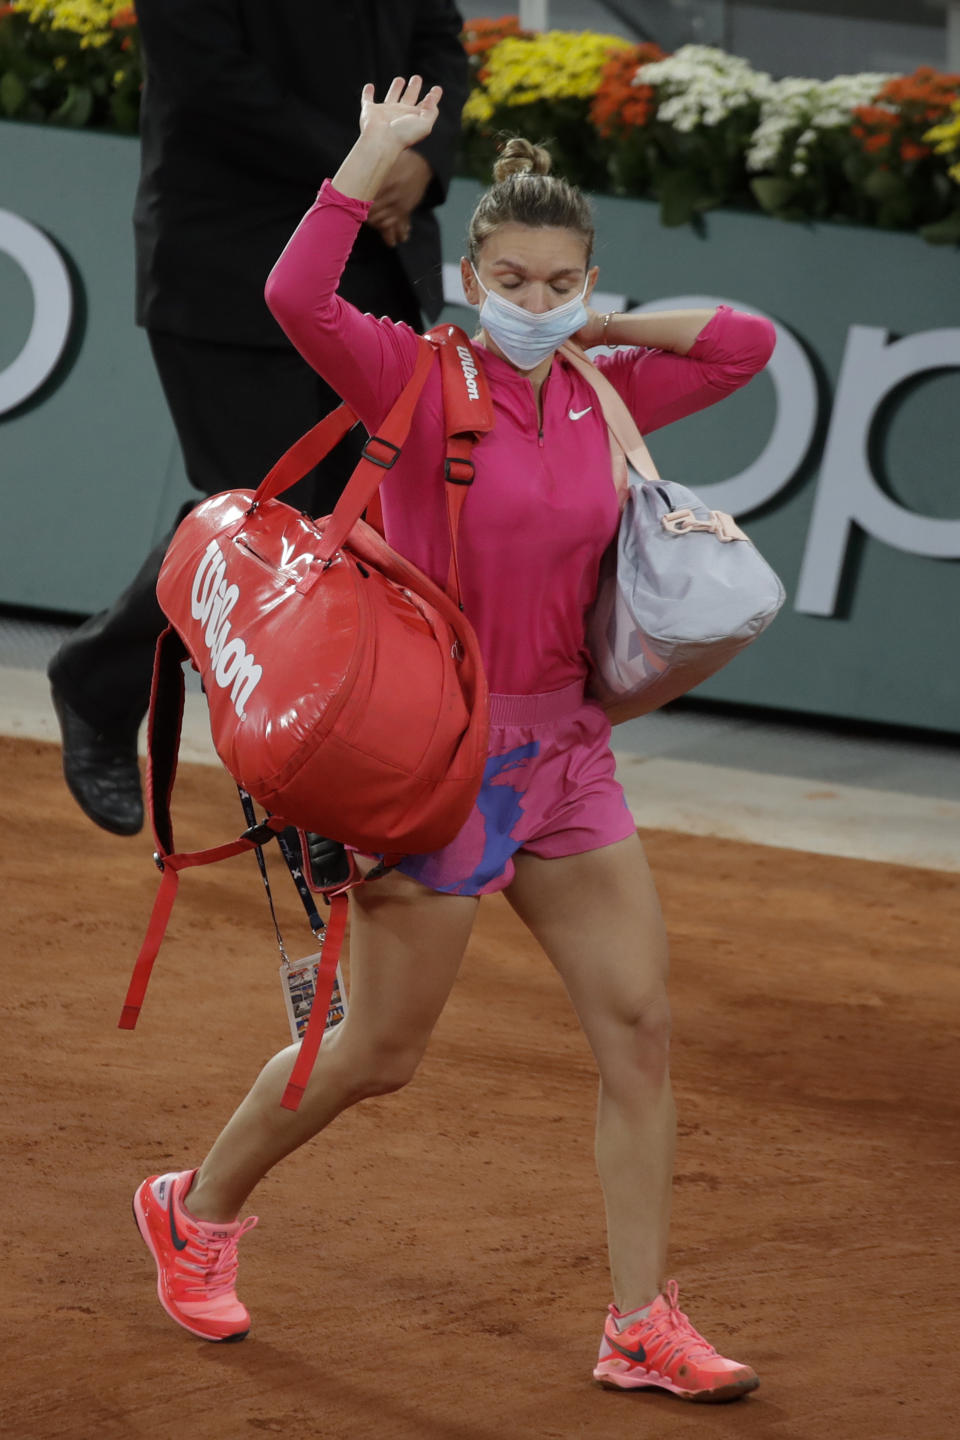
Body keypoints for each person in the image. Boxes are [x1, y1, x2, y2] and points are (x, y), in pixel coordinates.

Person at [132, 77, 776, 1403]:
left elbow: (745, 344)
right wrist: (363, 163)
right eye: (513, 279)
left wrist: (608, 323)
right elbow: (293, 300)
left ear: (586, 281)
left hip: (571, 758)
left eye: (558, 283)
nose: (534, 303)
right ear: (472, 273)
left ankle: (638, 1321)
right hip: (439, 764)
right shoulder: (415, 373)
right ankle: (193, 1207)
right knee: (381, 1050)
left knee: (640, 1027)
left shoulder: (606, 386)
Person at [47, 1, 468, 838]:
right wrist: (366, 165)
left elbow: (438, 37)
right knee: (265, 527)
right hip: (228, 267)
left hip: (376, 266)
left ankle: (312, 771)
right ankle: (113, 688)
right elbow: (208, 81)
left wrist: (423, 159)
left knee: (366, 533)